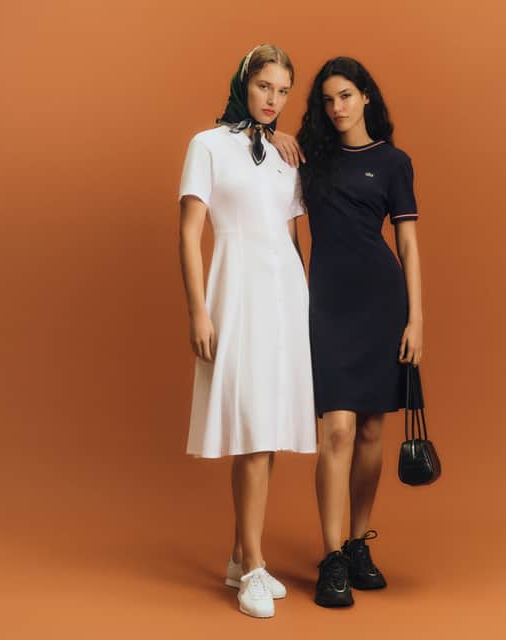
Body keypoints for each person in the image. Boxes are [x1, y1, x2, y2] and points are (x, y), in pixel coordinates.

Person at [178, 44, 316, 618]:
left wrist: (306, 307)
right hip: (236, 294)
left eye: (283, 91)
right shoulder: (207, 146)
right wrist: (198, 310)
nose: (273, 99)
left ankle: (241, 555)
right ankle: (253, 568)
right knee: (254, 430)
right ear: (244, 82)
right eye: (264, 86)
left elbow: (292, 237)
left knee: (271, 428)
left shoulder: (286, 155)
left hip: (285, 297)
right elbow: (190, 233)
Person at [297, 57, 423, 608]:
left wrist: (417, 319)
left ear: (366, 95)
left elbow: (408, 244)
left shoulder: (394, 162)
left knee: (371, 431)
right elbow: (257, 145)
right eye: (327, 99)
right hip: (328, 305)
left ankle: (356, 544)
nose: (337, 107)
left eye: (345, 95)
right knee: (338, 431)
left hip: (381, 303)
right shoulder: (309, 159)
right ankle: (330, 558)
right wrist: (277, 136)